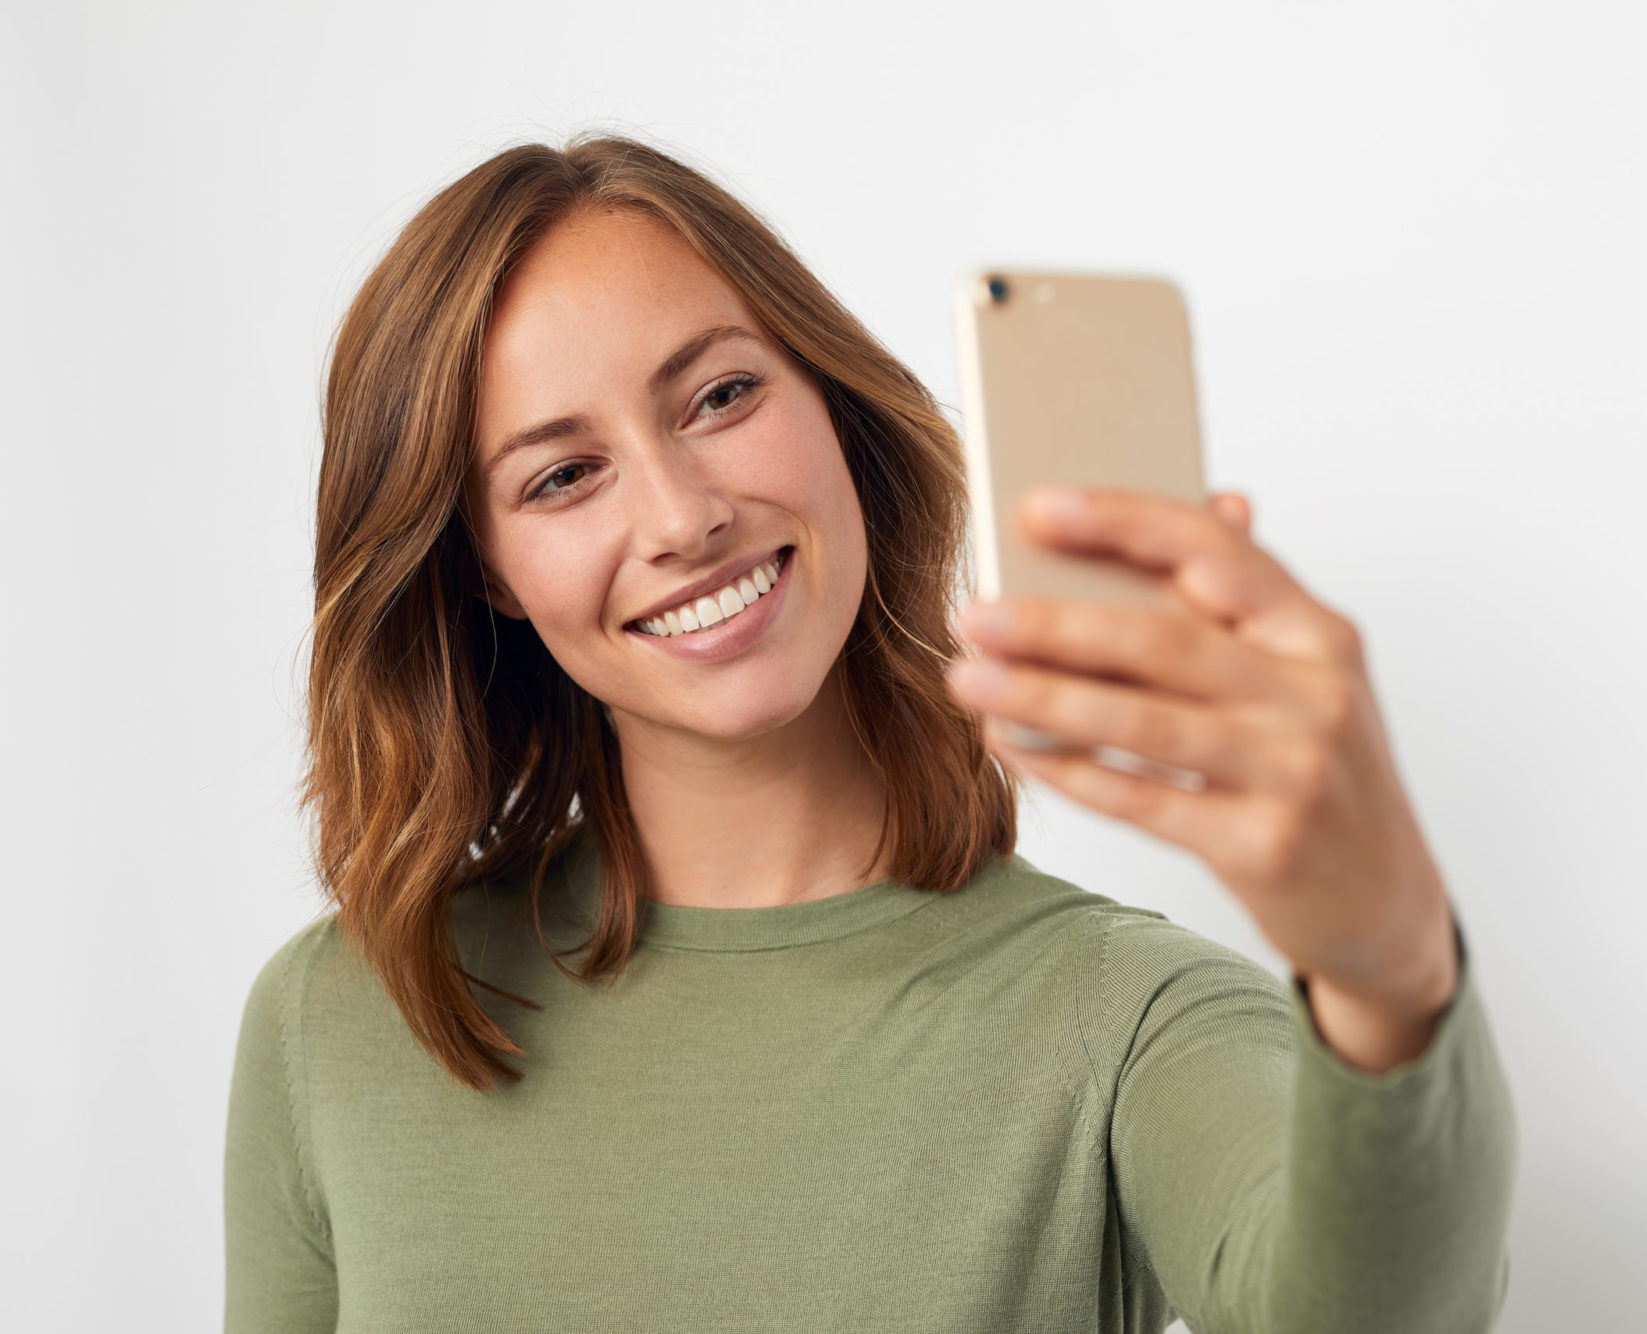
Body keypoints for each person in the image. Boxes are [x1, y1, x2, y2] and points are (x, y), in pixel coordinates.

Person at [224, 132, 1517, 1333]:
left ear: (835, 405)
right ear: (487, 571)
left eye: (721, 394)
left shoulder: (1118, 1016)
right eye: (562, 475)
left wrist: (1391, 968)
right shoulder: (339, 1017)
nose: (681, 516)